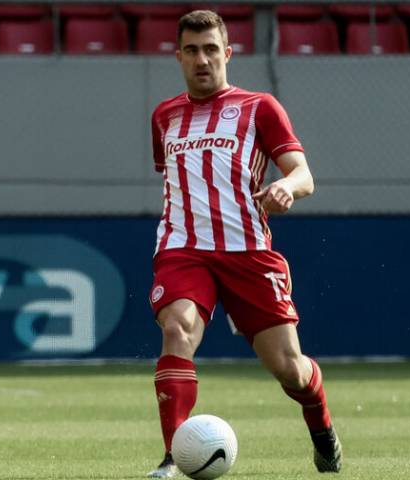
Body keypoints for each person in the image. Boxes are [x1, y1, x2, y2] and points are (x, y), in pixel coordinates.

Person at [147, 10, 342, 478]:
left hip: (248, 252)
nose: (202, 59)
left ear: (228, 54)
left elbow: (304, 174)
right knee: (177, 329)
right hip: (183, 248)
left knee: (290, 369)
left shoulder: (260, 107)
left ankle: (321, 424)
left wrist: (286, 187)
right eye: (192, 50)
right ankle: (174, 454)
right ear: (178, 57)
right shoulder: (164, 116)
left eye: (211, 49)